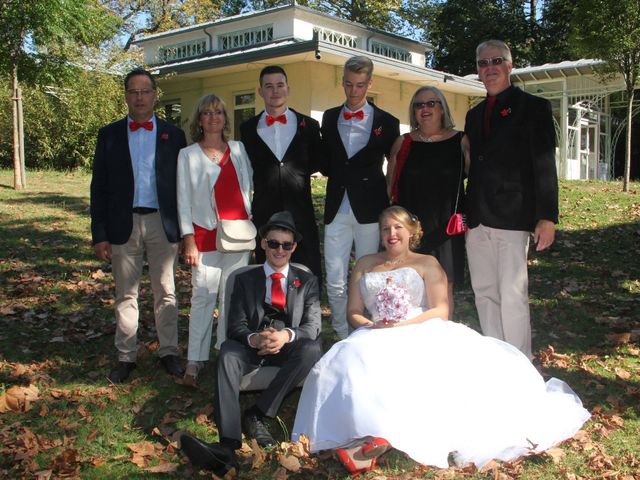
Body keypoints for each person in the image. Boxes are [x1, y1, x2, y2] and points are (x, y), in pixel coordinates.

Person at [292, 206, 590, 476]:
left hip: (420, 328)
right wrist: (373, 325)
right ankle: (367, 433)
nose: (391, 234)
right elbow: (354, 312)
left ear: (411, 232)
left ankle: (387, 437)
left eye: (397, 228)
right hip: (375, 332)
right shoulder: (366, 263)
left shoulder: (427, 262)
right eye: (385, 229)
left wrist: (403, 324)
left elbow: (441, 310)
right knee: (348, 364)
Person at [179, 211, 323, 477]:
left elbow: (312, 327)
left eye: (286, 245)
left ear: (294, 247)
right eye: (273, 243)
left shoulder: (308, 281)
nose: (279, 250)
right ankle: (227, 446)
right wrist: (254, 338)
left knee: (313, 349)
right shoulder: (244, 279)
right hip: (251, 346)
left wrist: (286, 336)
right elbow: (235, 326)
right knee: (227, 353)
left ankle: (257, 413)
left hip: (288, 348)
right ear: (263, 243)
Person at [90, 68, 187, 383]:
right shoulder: (109, 135)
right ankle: (126, 356)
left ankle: (169, 352)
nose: (139, 97)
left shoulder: (174, 135)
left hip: (163, 221)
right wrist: (99, 234)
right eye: (133, 91)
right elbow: (99, 186)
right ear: (126, 96)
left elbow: (182, 186)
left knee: (166, 291)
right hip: (123, 222)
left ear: (155, 94)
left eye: (145, 91)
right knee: (125, 293)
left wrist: (187, 232)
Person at [464, 40, 559, 359]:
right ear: (477, 71)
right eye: (482, 63)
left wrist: (546, 216)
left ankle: (520, 366)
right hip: (476, 219)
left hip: (512, 216)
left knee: (512, 295)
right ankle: (497, 362)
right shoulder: (473, 116)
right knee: (484, 294)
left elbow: (544, 165)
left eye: (496, 61)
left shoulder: (533, 108)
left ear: (510, 65)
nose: (489, 68)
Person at [321, 55, 400, 339]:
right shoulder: (329, 118)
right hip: (336, 208)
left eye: (360, 85)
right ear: (342, 82)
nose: (354, 92)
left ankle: (371, 332)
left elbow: (395, 163)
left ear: (370, 83)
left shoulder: (388, 122)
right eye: (349, 84)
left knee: (371, 276)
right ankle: (343, 335)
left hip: (370, 208)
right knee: (334, 276)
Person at [177, 94, 253, 385]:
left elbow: (248, 186)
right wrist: (189, 240)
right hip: (204, 236)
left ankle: (225, 352)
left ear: (225, 118)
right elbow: (182, 200)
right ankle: (194, 361)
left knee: (231, 297)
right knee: (202, 297)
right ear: (199, 119)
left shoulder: (238, 149)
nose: (213, 117)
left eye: (218, 112)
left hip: (238, 236)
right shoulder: (188, 155)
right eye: (207, 113)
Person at [387, 86, 468, 315]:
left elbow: (477, 183)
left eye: (431, 103)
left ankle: (441, 343)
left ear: (442, 107)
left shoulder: (461, 141)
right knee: (409, 287)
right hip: (411, 228)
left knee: (443, 287)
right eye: (418, 104)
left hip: (447, 227)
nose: (425, 108)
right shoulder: (403, 143)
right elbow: (390, 187)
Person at [240, 65, 323, 282]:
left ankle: (304, 315)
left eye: (280, 85)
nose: (275, 91)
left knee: (305, 271)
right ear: (260, 91)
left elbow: (315, 163)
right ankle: (267, 314)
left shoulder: (310, 126)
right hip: (264, 211)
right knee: (265, 274)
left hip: (301, 211)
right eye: (269, 86)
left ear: (288, 88)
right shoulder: (247, 129)